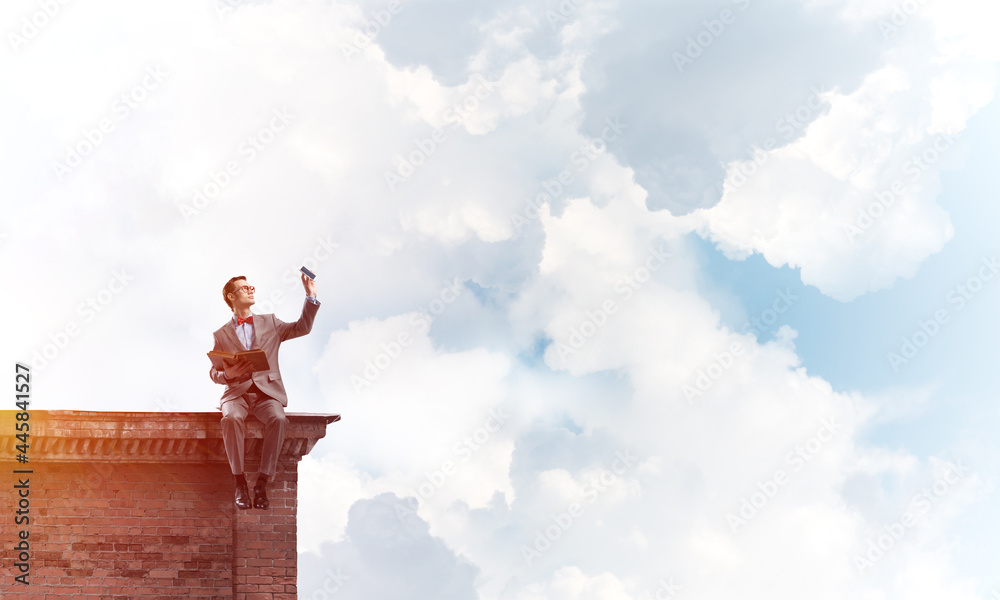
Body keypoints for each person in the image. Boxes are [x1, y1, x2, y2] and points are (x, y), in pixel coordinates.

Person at [209, 273, 319, 509]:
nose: (251, 290)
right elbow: (214, 373)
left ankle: (262, 483)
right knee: (230, 418)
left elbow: (302, 327)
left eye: (252, 287)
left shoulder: (270, 322)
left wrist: (310, 297)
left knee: (279, 419)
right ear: (231, 296)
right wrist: (229, 375)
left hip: (266, 394)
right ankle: (239, 483)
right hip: (236, 394)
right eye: (245, 288)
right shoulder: (220, 335)